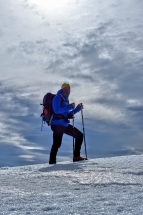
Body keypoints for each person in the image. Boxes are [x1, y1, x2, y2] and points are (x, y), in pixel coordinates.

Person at [49, 83, 85, 164]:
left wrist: (77, 108)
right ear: (62, 89)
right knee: (57, 144)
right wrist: (69, 107)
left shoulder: (65, 100)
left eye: (69, 89)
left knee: (79, 135)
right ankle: (52, 163)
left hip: (64, 124)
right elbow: (56, 110)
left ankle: (76, 157)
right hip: (57, 125)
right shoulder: (57, 97)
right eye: (66, 89)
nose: (68, 91)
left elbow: (68, 114)